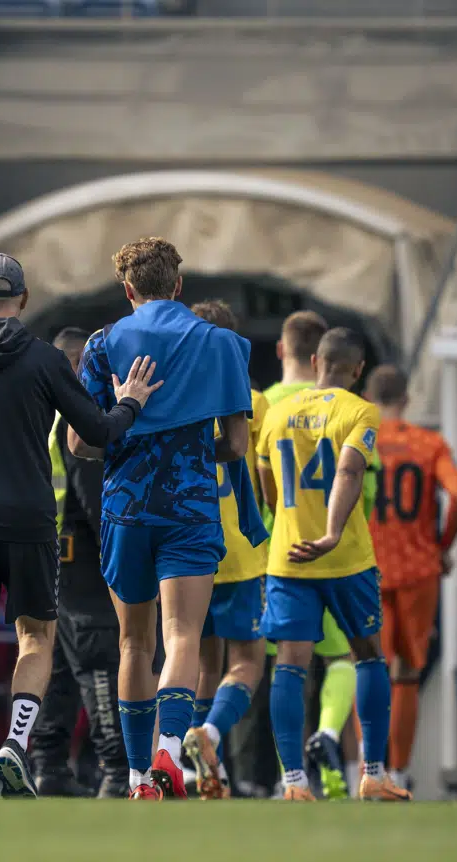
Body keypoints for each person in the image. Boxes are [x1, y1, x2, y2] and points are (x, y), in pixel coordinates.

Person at [0, 254, 161, 800]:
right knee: (36, 638)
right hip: (29, 520)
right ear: (24, 300)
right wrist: (128, 404)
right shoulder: (46, 361)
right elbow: (96, 430)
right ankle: (15, 747)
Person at [71, 238, 257, 801]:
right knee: (183, 637)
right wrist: (197, 448)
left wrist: (131, 428)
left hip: (126, 507)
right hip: (190, 505)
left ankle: (133, 777)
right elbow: (238, 444)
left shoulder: (103, 345)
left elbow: (80, 443)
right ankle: (168, 757)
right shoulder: (220, 343)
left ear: (129, 290)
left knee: (133, 643)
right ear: (179, 285)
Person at [256, 327, 410, 802]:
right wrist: (331, 532)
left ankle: (293, 782)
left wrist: (292, 522)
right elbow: (349, 469)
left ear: (317, 361)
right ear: (358, 369)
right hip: (344, 558)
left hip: (288, 557)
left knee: (289, 666)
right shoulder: (359, 410)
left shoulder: (278, 411)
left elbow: (267, 484)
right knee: (367, 658)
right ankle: (374, 773)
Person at [28, 327, 129, 799]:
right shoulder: (76, 418)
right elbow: (94, 501)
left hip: (43, 558)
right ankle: (114, 769)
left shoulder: (33, 415)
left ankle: (48, 767)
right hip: (82, 560)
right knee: (97, 659)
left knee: (57, 666)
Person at [365, 365, 457, 794]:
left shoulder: (358, 440)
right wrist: (442, 544)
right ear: (406, 399)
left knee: (368, 668)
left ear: (368, 399)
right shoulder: (430, 444)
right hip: (418, 569)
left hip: (366, 567)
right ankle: (401, 773)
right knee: (406, 673)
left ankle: (368, 771)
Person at [181, 300, 269, 801]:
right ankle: (208, 737)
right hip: (238, 551)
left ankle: (198, 772)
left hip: (190, 550)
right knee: (249, 662)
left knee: (204, 665)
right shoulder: (254, 399)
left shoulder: (178, 397)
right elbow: (265, 477)